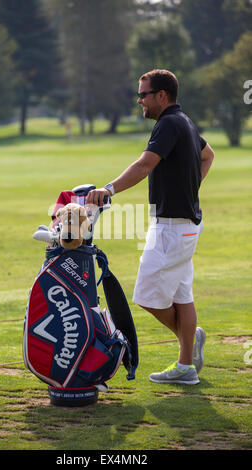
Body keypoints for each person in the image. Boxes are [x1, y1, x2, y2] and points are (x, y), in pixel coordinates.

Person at [85, 69, 214, 385]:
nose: (139, 100)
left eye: (144, 94)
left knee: (145, 295)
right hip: (181, 225)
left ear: (161, 96)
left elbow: (144, 165)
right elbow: (207, 155)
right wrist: (189, 188)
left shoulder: (169, 123)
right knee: (182, 296)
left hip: (172, 229)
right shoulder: (183, 121)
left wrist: (109, 189)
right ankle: (187, 359)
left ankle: (188, 343)